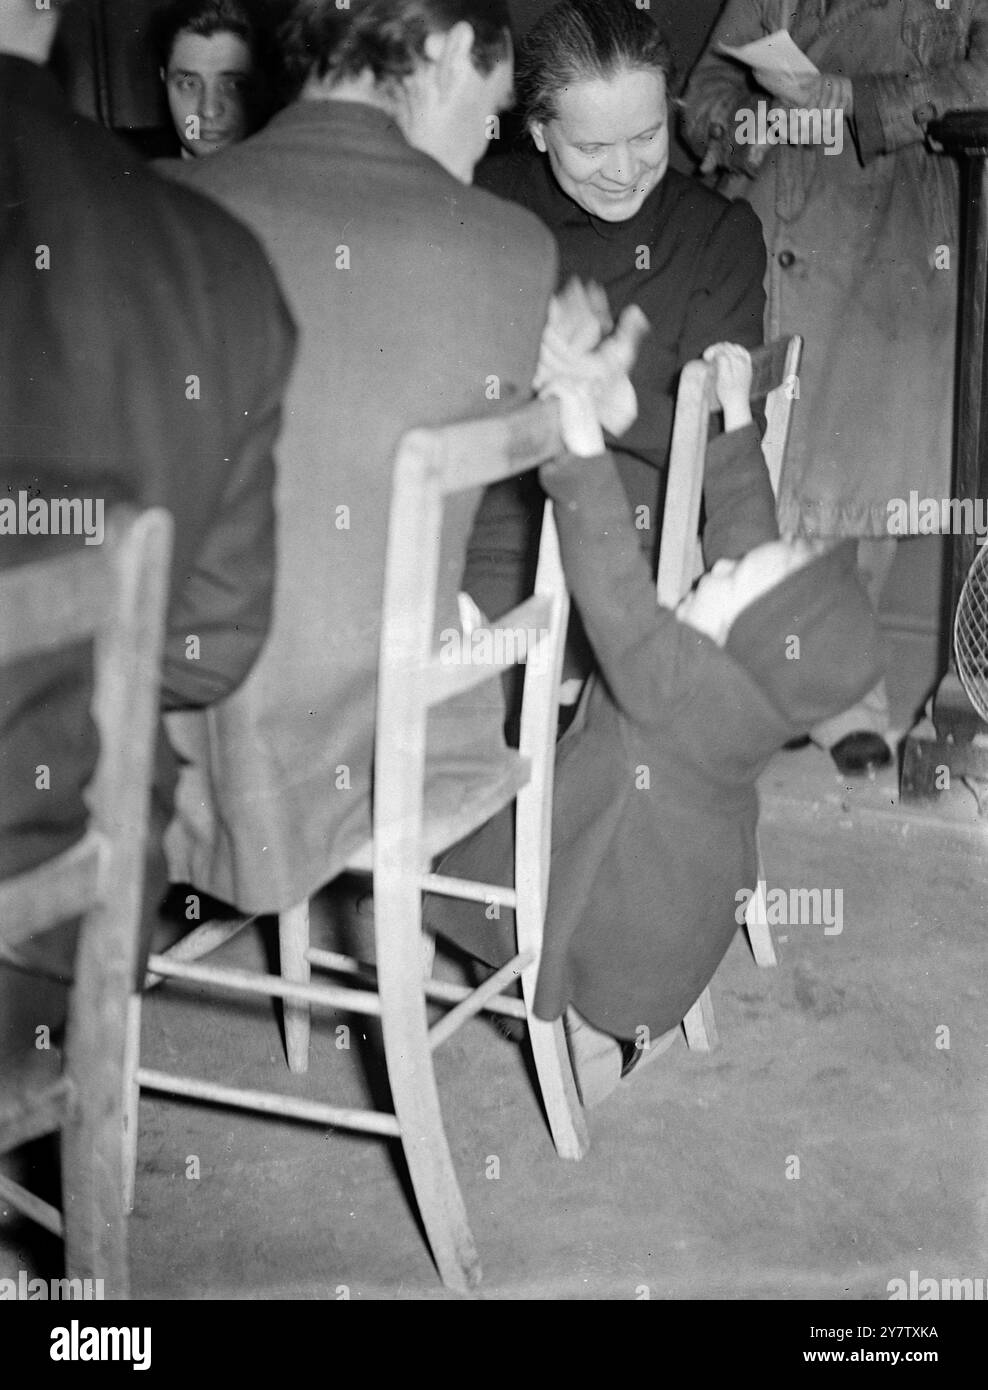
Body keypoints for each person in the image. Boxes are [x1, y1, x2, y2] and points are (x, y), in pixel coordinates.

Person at [159, 0, 560, 916]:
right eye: (489, 110)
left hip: (157, 731)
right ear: (452, 50)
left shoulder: (149, 205)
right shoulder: (510, 247)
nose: (479, 149)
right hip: (362, 748)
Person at [427, 343, 886, 1106]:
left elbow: (611, 581)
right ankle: (633, 1025)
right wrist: (739, 420)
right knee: (628, 940)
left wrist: (579, 448)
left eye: (728, 581)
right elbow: (749, 541)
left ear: (745, 639)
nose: (718, 568)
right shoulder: (750, 687)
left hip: (609, 888)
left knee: (477, 871)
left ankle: (570, 1019)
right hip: (683, 908)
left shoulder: (675, 676)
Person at [0, 0, 295, 1022]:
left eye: (229, 85)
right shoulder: (198, 247)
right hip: (77, 892)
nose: (206, 112)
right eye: (184, 82)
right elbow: (212, 636)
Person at [681, 0, 988, 777]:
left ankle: (847, 697)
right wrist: (752, 128)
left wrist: (859, 101)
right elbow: (708, 90)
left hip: (898, 243)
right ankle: (788, 692)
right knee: (764, 480)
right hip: (772, 234)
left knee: (866, 492)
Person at [464, 0, 768, 648]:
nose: (626, 171)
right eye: (593, 147)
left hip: (646, 546)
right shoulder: (480, 200)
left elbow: (734, 442)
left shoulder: (717, 233)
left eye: (647, 136)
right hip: (496, 531)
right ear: (541, 132)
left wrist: (623, 405)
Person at [152, 0, 277, 159]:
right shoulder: (133, 175)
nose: (209, 111)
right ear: (164, 80)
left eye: (233, 85)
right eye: (189, 84)